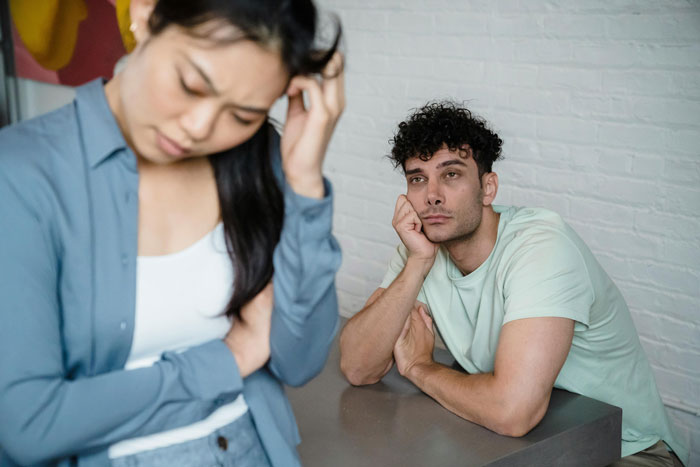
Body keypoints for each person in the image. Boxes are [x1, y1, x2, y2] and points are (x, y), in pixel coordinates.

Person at [0, 0, 344, 465]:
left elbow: (299, 363)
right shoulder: (21, 173)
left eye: (242, 116)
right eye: (191, 85)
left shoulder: (264, 159)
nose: (200, 128)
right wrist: (229, 358)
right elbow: (30, 424)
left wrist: (305, 185)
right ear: (144, 14)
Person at [339, 101, 688, 466]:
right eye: (418, 178)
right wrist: (417, 264)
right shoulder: (420, 250)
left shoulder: (541, 246)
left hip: (627, 450)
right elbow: (358, 367)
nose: (432, 195)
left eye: (452, 174)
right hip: (527, 448)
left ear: (488, 188)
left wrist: (417, 368)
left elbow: (512, 411)